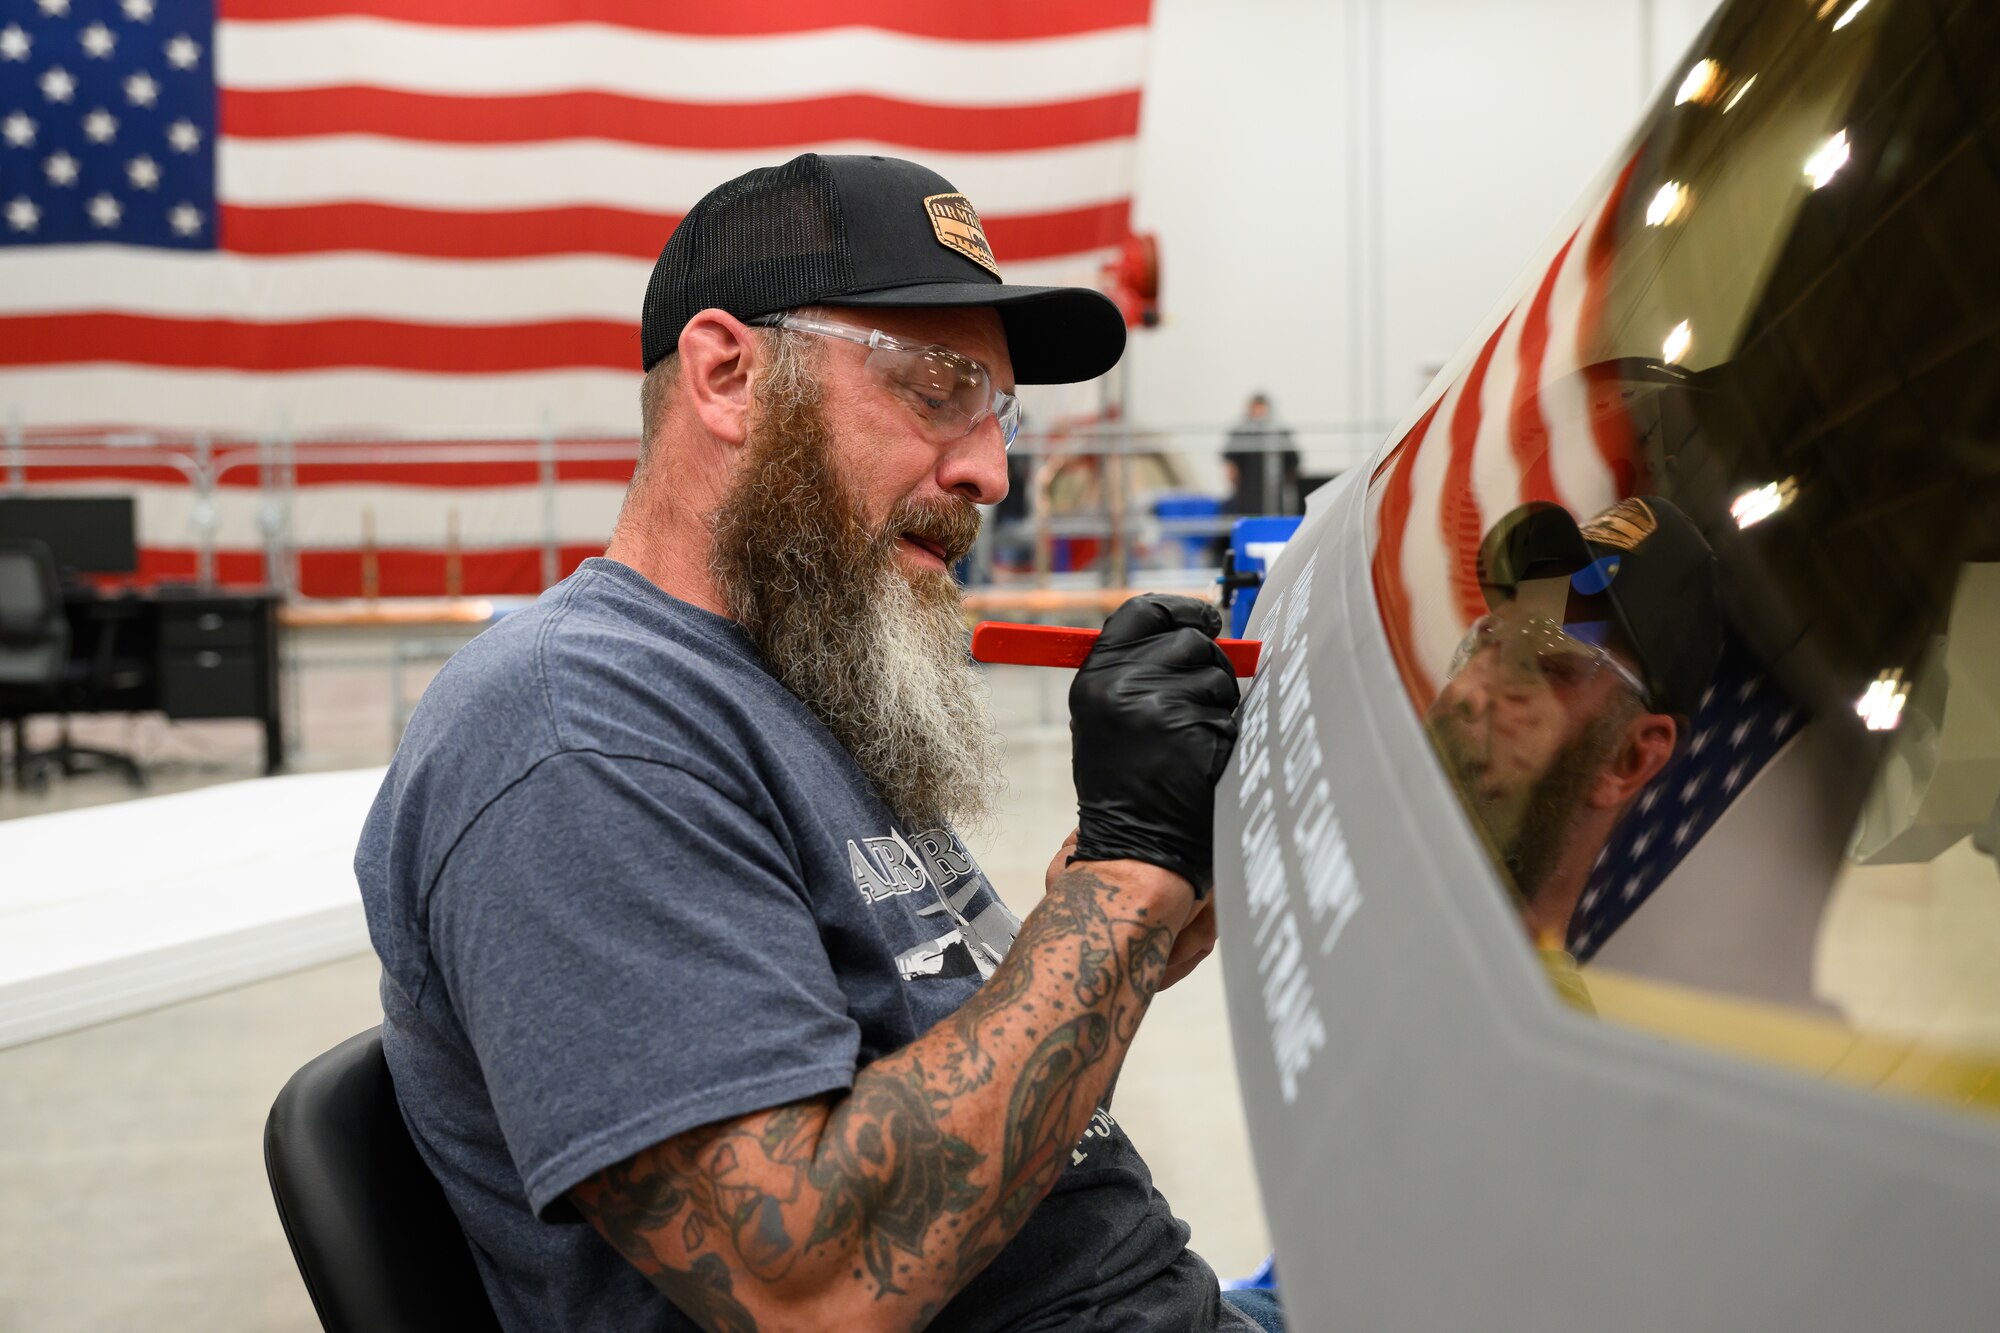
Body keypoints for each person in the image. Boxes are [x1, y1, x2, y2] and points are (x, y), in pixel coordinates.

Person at [355, 153, 1273, 1333]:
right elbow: (806, 1285)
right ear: (730, 376)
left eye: (996, 412)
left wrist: (1133, 881)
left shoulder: (802, 670)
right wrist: (1122, 882)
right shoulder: (577, 731)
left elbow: (958, 1052)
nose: (991, 471)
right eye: (937, 388)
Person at [1424, 496, 1722, 951]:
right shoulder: (1345, 875)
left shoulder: (1518, 1017)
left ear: (1630, 759)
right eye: (1486, 644)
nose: (1464, 692)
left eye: (1543, 667)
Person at [1221, 392, 1301, 518]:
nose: (1259, 414)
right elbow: (1231, 469)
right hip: (1247, 499)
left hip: (1275, 499)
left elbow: (1293, 468)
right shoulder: (1240, 434)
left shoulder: (1280, 434)